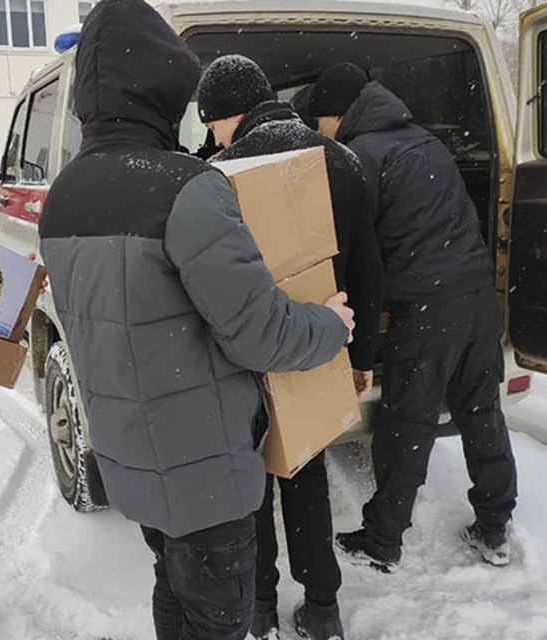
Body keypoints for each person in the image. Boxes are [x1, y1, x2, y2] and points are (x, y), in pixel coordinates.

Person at [38, 2, 356, 639]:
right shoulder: (186, 186)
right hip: (205, 474)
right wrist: (329, 324)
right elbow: (261, 333)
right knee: (218, 617)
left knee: (171, 584)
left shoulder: (62, 197)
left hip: (133, 463)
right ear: (161, 86)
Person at [195, 55, 383, 640]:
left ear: (230, 116)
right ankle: (323, 607)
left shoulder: (221, 172)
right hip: (324, 338)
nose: (211, 138)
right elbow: (368, 267)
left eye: (212, 124)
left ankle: (258, 607)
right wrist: (362, 356)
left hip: (246, 352)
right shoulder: (344, 160)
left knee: (252, 478)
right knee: (305, 469)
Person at [309, 63, 518, 572]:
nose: (317, 134)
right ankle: (494, 528)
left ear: (336, 116)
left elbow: (354, 249)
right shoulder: (426, 141)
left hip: (427, 311)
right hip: (476, 298)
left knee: (407, 425)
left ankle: (382, 542)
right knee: (482, 414)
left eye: (318, 123)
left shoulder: (360, 156)